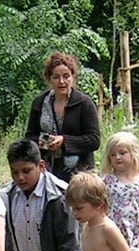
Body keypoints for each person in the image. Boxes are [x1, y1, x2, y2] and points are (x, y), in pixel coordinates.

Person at [25, 52, 101, 182]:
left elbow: (94, 139)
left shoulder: (85, 103)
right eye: (56, 77)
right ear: (49, 79)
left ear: (73, 77)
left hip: (79, 174)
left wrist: (64, 141)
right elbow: (30, 137)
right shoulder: (39, 103)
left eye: (66, 76)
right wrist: (46, 142)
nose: (62, 82)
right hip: (46, 172)